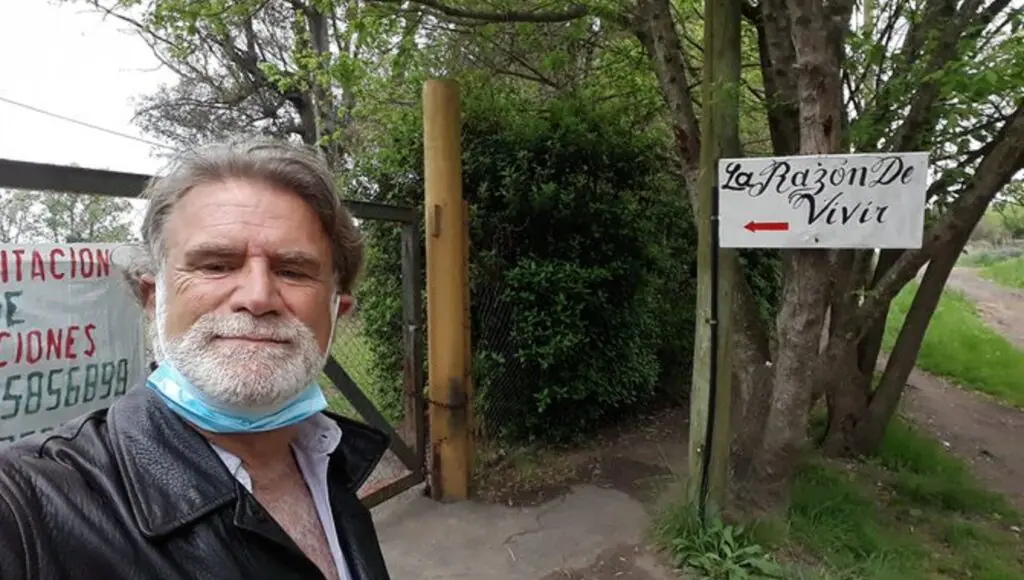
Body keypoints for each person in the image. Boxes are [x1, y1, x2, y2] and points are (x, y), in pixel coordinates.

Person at [0, 139, 393, 580]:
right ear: (152, 298)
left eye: (292, 271)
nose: (257, 297)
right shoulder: (28, 504)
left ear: (337, 311)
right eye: (216, 265)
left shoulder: (330, 460)